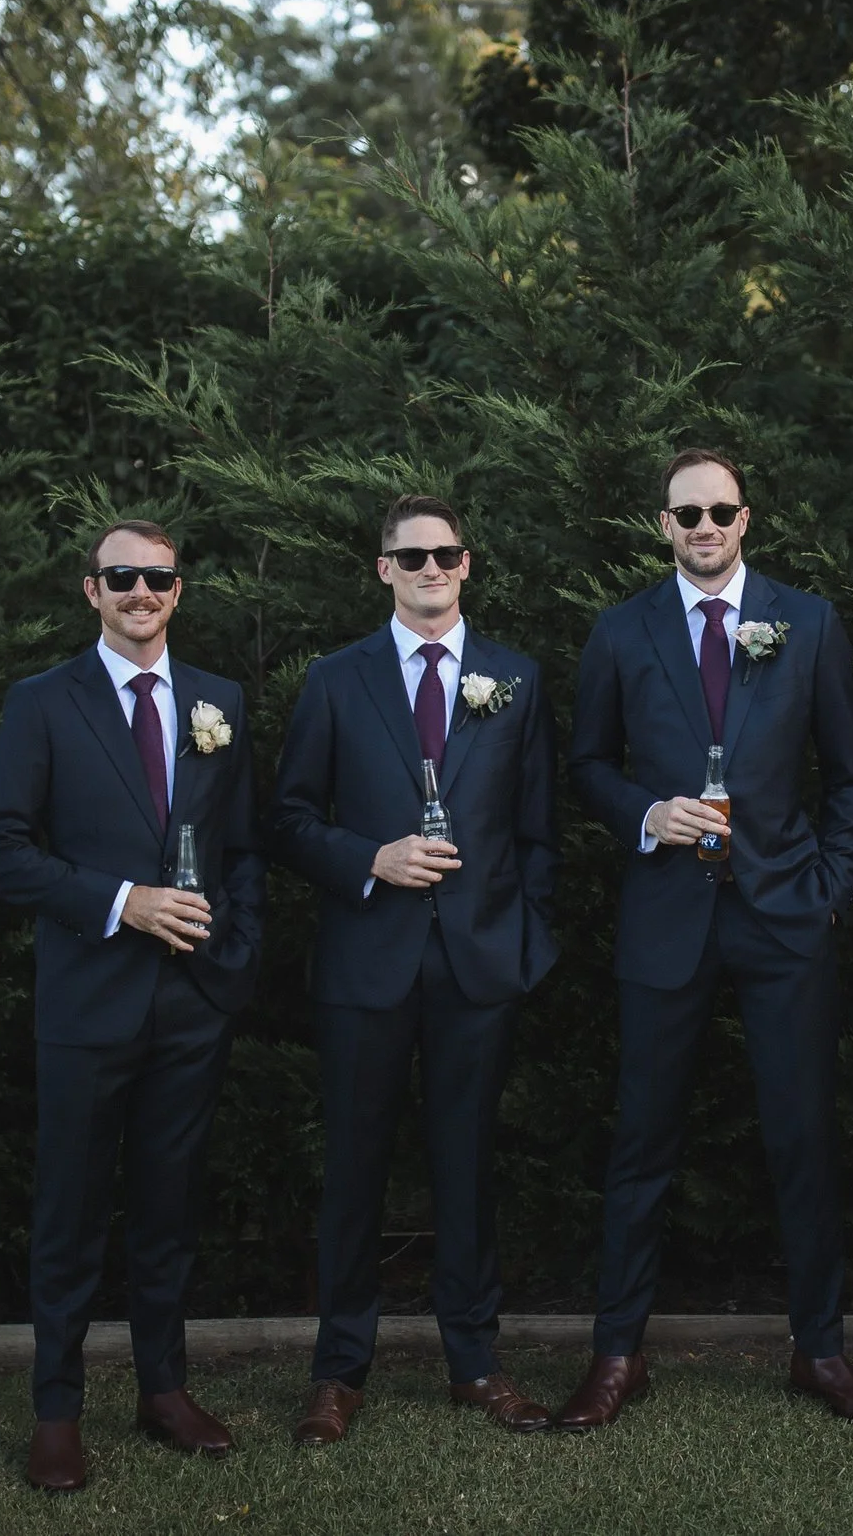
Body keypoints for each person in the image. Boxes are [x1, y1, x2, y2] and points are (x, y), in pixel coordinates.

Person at [555, 448, 853, 1430]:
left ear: (745, 519)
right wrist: (643, 812)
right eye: (686, 513)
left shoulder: (808, 621)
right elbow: (587, 763)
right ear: (662, 524)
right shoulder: (621, 629)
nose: (704, 527)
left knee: (803, 1137)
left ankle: (820, 1350)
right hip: (666, 913)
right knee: (641, 1141)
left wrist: (827, 889)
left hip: (784, 915)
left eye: (720, 511)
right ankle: (617, 1354)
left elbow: (851, 775)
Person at [0, 519, 265, 1492]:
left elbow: (243, 846)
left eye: (159, 576)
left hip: (192, 1001)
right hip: (88, 1002)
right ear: (90, 589)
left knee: (169, 1209)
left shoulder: (219, 700)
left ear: (179, 589)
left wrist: (234, 956)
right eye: (122, 575)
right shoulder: (43, 702)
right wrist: (121, 901)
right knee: (71, 1212)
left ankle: (163, 1389)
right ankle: (57, 1411)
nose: (142, 590)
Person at [267, 494, 562, 1446]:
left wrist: (526, 943)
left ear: (467, 565)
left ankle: (475, 1363)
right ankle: (338, 1372)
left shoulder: (514, 678)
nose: (431, 568)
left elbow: (538, 828)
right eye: (412, 556)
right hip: (367, 962)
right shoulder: (335, 680)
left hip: (481, 965)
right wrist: (372, 858)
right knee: (354, 1169)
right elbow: (288, 820)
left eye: (447, 554)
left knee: (467, 1169)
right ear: (383, 569)